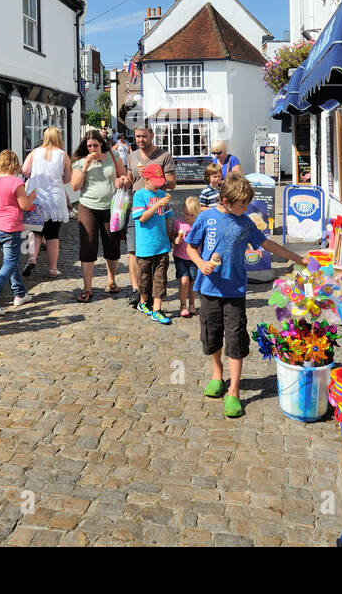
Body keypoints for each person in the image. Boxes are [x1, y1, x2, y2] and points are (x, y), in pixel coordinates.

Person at [186, 173, 306, 419]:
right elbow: (190, 246)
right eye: (242, 205)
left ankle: (234, 390)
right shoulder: (206, 217)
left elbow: (267, 244)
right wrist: (201, 263)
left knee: (236, 337)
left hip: (235, 291)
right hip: (209, 288)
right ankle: (217, 374)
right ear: (226, 200)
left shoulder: (246, 222)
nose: (246, 208)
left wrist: (298, 258)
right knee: (211, 334)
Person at [114, 124, 175, 308]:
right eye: (138, 136)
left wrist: (155, 177)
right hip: (136, 207)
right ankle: (137, 290)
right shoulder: (132, 156)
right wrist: (124, 179)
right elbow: (130, 177)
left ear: (152, 135)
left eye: (144, 136)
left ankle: (149, 291)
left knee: (155, 252)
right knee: (133, 250)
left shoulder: (164, 156)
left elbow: (172, 183)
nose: (141, 139)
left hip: (156, 209)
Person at [70, 129, 126, 303]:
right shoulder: (80, 162)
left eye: (95, 145)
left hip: (112, 206)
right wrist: (85, 167)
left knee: (112, 243)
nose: (92, 148)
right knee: (88, 246)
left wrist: (122, 180)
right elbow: (74, 186)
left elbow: (124, 175)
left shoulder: (113, 155)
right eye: (89, 146)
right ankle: (87, 288)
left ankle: (111, 280)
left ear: (101, 143)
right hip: (88, 206)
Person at [0, 149, 36, 316]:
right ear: (14, 164)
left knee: (12, 260)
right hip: (11, 226)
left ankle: (19, 293)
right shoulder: (16, 182)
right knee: (11, 262)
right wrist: (31, 198)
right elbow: (25, 205)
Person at [21, 127, 71, 279]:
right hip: (55, 199)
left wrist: (34, 177)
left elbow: (24, 170)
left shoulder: (35, 152)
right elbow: (68, 179)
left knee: (35, 231)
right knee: (53, 235)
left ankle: (32, 259)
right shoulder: (63, 155)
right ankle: (53, 269)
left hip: (37, 197)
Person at [131, 162, 173, 325]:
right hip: (145, 246)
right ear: (145, 178)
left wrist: (171, 235)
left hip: (162, 244)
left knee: (160, 278)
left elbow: (168, 217)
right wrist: (156, 205)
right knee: (145, 278)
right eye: (154, 182)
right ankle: (143, 302)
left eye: (159, 182)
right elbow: (141, 218)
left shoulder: (163, 194)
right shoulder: (139, 195)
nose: (157, 186)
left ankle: (157, 310)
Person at [172, 196, 201, 319]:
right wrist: (176, 239)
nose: (188, 217)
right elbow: (172, 236)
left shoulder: (199, 224)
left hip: (194, 257)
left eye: (191, 215)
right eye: (186, 214)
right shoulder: (178, 223)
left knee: (193, 282)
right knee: (184, 281)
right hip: (180, 256)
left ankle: (192, 304)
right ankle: (183, 305)